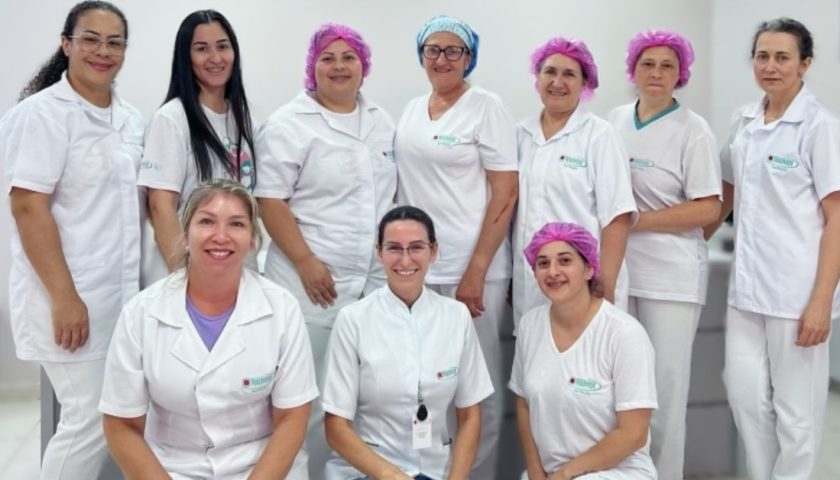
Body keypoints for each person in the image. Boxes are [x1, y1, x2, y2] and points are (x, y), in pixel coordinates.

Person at [0, 2, 142, 478]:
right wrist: (65, 297)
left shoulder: (130, 119)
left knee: (116, 415)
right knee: (88, 418)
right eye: (90, 39)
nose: (103, 51)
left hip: (119, 296)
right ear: (66, 44)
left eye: (114, 42)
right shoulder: (42, 115)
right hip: (67, 297)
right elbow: (27, 208)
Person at [99, 179, 317, 479]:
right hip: (173, 469)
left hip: (260, 467)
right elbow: (121, 425)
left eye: (236, 224)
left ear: (253, 240)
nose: (221, 236)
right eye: (206, 222)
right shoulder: (141, 313)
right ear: (185, 235)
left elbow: (292, 417)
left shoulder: (282, 309)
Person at [254, 23, 397, 479]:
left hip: (370, 285)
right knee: (305, 400)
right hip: (310, 286)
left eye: (348, 57)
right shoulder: (289, 124)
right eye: (327, 58)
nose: (339, 66)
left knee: (361, 397)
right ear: (312, 68)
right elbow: (270, 200)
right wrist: (306, 262)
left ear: (363, 66)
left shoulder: (381, 122)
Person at [704, 18, 840, 479]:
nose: (770, 66)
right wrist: (691, 242)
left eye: (783, 57)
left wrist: (821, 301)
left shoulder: (820, 127)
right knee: (743, 395)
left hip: (796, 292)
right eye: (762, 56)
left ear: (805, 64)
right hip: (747, 288)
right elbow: (725, 193)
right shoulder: (744, 120)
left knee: (796, 412)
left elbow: (837, 217)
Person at [394, 16, 517, 478]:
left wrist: (477, 269)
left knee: (475, 387)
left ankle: (475, 473)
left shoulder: (486, 107)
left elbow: (505, 193)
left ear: (469, 58)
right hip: (420, 270)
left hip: (473, 270)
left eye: (453, 51)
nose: (442, 59)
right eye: (432, 50)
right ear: (421, 56)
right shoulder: (412, 109)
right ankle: (432, 470)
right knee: (426, 384)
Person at [607, 30, 721, 478]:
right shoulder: (614, 120)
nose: (656, 73)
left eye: (667, 66)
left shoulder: (694, 130)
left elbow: (709, 207)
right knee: (621, 391)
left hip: (671, 278)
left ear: (681, 74)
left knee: (664, 394)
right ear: (632, 70)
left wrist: (635, 220)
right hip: (620, 271)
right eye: (647, 64)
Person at [322, 206, 493, 480]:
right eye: (394, 248)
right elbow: (335, 427)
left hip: (435, 470)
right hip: (369, 472)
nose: (405, 260)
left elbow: (470, 415)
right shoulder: (353, 319)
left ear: (433, 251)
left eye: (416, 247)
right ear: (378, 252)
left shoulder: (456, 316)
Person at [510, 222, 657, 480]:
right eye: (543, 264)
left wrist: (565, 474)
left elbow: (633, 434)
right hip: (551, 473)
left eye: (565, 260)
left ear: (589, 268)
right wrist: (535, 471)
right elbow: (523, 403)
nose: (553, 272)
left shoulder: (624, 334)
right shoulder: (529, 325)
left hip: (617, 471)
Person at [513, 37, 636, 330]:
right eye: (549, 72)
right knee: (535, 351)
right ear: (537, 77)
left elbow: (617, 217)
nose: (557, 82)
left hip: (585, 283)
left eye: (569, 74)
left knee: (585, 354)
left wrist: (604, 285)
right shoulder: (519, 134)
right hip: (532, 279)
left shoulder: (600, 136)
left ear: (585, 83)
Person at [139, 9, 256, 286]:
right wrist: (187, 278)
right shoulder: (172, 119)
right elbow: (160, 207)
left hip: (232, 273)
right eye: (202, 49)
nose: (215, 58)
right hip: (186, 277)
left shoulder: (241, 117)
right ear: (186, 57)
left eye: (223, 47)